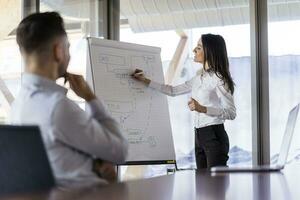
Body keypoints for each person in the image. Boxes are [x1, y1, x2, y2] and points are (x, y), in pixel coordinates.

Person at [10, 12, 128, 186]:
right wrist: (90, 97)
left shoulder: (18, 105)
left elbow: (58, 157)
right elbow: (120, 151)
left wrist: (94, 165)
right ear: (58, 51)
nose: (69, 55)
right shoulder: (57, 107)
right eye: (68, 48)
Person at [132, 33, 236, 169]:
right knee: (202, 185)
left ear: (209, 52)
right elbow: (173, 91)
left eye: (199, 48)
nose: (194, 50)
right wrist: (144, 80)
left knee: (216, 186)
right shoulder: (198, 78)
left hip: (214, 135)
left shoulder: (219, 79)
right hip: (199, 135)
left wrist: (203, 109)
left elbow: (231, 113)